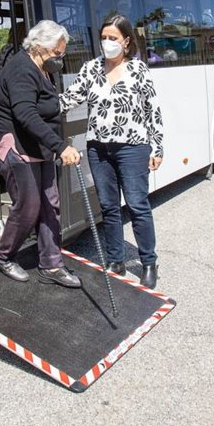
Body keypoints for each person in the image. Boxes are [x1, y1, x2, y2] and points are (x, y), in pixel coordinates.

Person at [60, 14, 165, 288]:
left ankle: (148, 262)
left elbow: (152, 110)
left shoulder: (138, 70)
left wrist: (158, 147)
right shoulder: (91, 68)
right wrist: (31, 103)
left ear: (126, 41)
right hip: (98, 148)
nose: (107, 42)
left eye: (113, 38)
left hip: (133, 148)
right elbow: (69, 98)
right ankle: (116, 260)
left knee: (137, 204)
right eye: (103, 37)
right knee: (108, 206)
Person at [0, 19, 82, 287]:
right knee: (29, 205)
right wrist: (60, 146)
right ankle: (4, 255)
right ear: (39, 46)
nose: (59, 59)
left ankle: (52, 264)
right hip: (17, 146)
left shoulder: (42, 68)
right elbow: (26, 114)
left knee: (50, 204)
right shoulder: (21, 68)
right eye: (57, 53)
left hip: (39, 147)